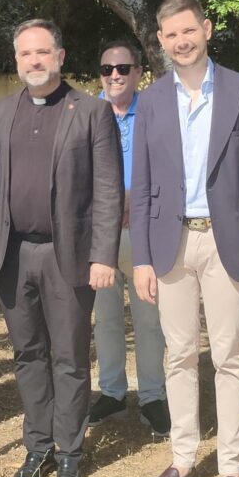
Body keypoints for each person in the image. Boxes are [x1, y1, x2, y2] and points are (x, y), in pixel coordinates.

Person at [0, 19, 123, 477]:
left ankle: (71, 451)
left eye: (43, 52)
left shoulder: (91, 111)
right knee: (28, 355)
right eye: (26, 54)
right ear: (17, 60)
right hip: (11, 255)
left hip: (67, 255)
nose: (35, 61)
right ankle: (39, 446)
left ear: (61, 56)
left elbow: (108, 191)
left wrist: (103, 255)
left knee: (69, 358)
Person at [129, 0, 239, 477]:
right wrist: (143, 258)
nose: (180, 42)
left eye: (188, 31)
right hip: (170, 245)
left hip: (227, 243)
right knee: (179, 354)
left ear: (207, 29)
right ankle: (184, 457)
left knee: (230, 355)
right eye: (170, 35)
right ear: (161, 40)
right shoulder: (149, 102)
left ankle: (232, 466)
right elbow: (143, 187)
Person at [88, 40, 169, 437]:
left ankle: (153, 396)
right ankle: (113, 391)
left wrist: (130, 202)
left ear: (139, 72)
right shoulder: (87, 115)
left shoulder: (154, 114)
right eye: (107, 69)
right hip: (99, 236)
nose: (115, 75)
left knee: (149, 318)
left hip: (143, 233)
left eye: (123, 68)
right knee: (104, 317)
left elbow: (168, 170)